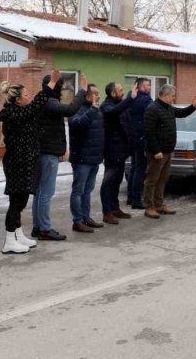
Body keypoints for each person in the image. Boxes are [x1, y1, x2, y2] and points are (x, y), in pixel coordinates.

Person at [0, 76, 54, 254]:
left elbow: (34, 112)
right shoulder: (14, 113)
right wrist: (50, 86)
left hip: (24, 163)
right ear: (18, 99)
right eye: (26, 95)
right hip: (16, 164)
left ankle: (17, 234)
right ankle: (9, 240)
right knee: (16, 202)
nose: (29, 97)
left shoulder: (20, 113)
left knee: (20, 202)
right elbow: (35, 105)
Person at [32, 71, 88, 241]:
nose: (63, 90)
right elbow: (70, 109)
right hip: (47, 153)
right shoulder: (49, 101)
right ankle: (44, 228)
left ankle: (38, 227)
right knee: (45, 192)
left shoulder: (43, 99)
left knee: (40, 192)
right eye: (61, 87)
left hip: (46, 151)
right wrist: (82, 92)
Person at [142, 85, 196, 218]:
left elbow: (181, 113)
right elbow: (149, 132)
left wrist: (193, 107)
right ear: (165, 95)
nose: (174, 98)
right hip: (157, 152)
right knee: (152, 179)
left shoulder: (168, 108)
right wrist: (156, 150)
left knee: (162, 179)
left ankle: (159, 204)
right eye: (173, 96)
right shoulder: (153, 108)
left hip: (167, 150)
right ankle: (149, 207)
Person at [68, 84, 105, 233]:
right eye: (95, 93)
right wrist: (93, 110)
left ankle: (86, 217)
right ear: (87, 96)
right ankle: (77, 221)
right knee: (78, 191)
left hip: (94, 158)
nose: (98, 96)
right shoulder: (77, 109)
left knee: (88, 191)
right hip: (81, 159)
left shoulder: (97, 110)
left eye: (99, 93)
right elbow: (77, 124)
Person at [100, 81, 138, 224]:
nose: (123, 92)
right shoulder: (106, 106)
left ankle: (115, 208)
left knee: (117, 180)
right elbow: (114, 111)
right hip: (111, 151)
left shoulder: (121, 104)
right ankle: (107, 212)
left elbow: (128, 125)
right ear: (113, 93)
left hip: (122, 150)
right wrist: (130, 98)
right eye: (120, 90)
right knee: (108, 182)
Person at [126, 78, 153, 210]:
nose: (150, 87)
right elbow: (153, 116)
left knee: (134, 167)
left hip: (133, 137)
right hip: (141, 137)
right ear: (141, 86)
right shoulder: (146, 100)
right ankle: (136, 199)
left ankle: (131, 197)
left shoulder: (131, 98)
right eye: (148, 85)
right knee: (139, 170)